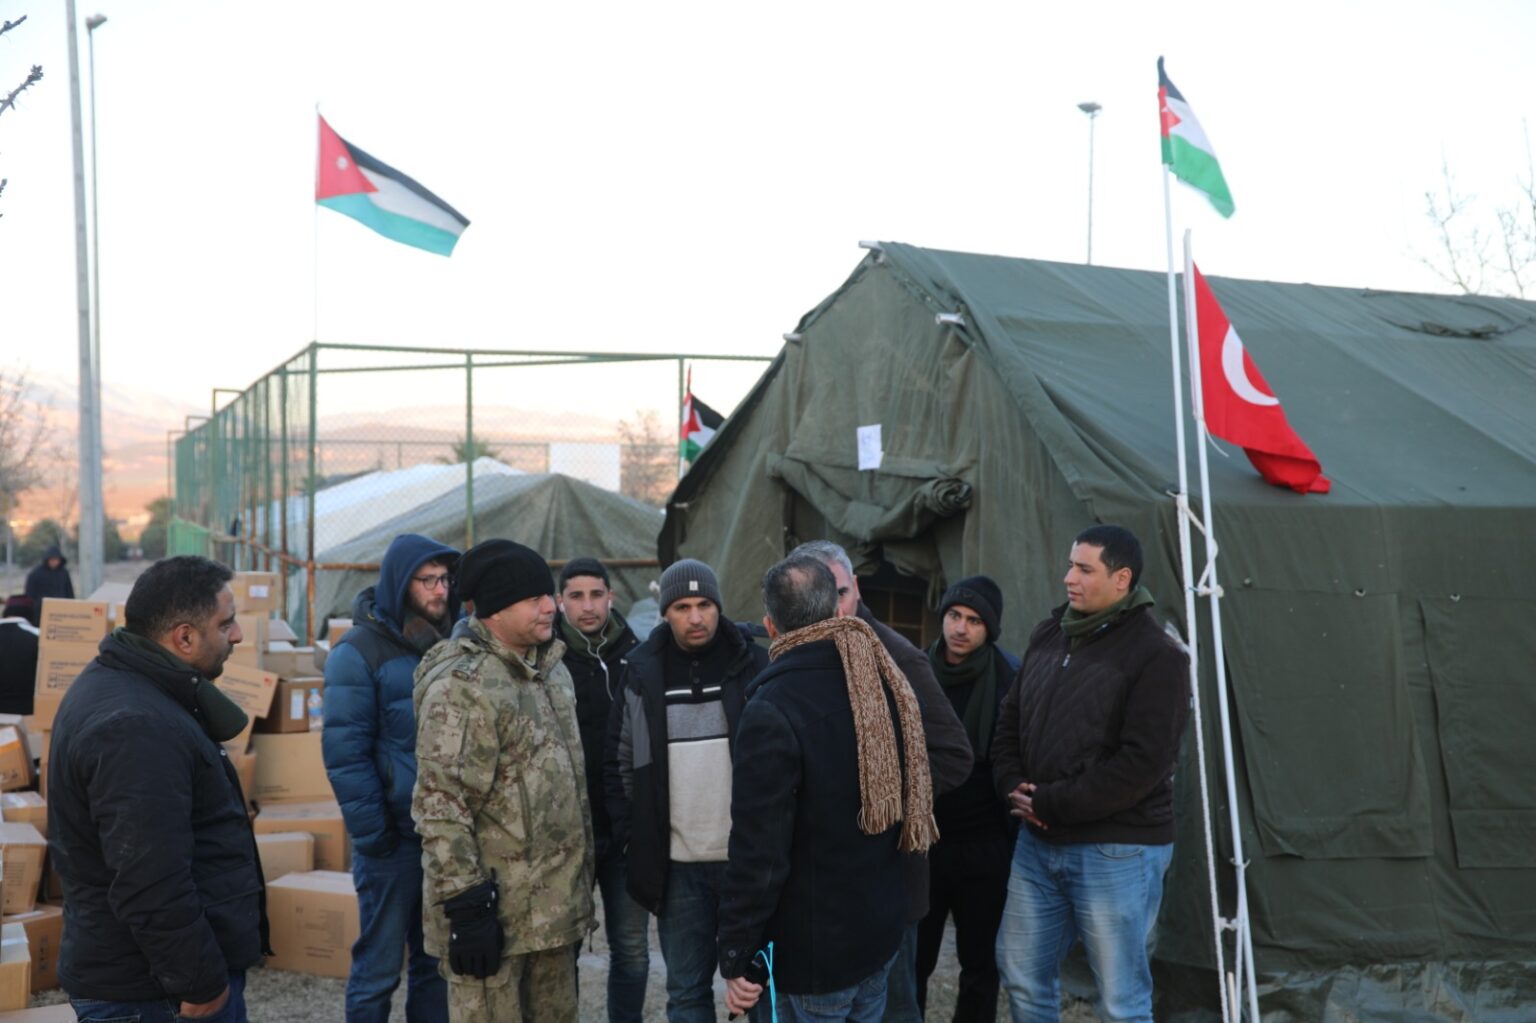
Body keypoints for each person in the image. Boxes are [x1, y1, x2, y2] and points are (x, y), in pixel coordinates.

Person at [718, 554, 937, 1023]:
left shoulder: (771, 707)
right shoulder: (881, 678)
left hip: (816, 954)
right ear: (837, 612)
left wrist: (736, 954)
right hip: (877, 936)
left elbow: (760, 849)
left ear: (770, 625)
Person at [49, 555, 266, 1023]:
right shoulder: (136, 726)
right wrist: (199, 980)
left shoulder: (138, 689)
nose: (237, 635)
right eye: (225, 623)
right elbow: (149, 877)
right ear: (184, 637)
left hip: (152, 983)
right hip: (152, 993)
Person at [991, 525, 1190, 1023]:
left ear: (1121, 578)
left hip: (1116, 849)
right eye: (1070, 565)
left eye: (1084, 569)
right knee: (1021, 975)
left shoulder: (1158, 656)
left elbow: (1142, 764)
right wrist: (1011, 783)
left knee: (1121, 1000)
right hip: (1036, 844)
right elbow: (1010, 719)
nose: (1068, 578)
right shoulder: (1049, 632)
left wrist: (1052, 802)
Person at [787, 540, 973, 1023]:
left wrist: (877, 794)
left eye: (841, 593)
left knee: (891, 1008)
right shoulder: (801, 651)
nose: (831, 608)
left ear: (857, 590)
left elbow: (953, 756)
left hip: (888, 877)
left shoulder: (896, 657)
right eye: (819, 596)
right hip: (822, 881)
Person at [413, 538, 594, 1023]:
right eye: (533, 598)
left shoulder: (551, 672)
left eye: (548, 594)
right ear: (493, 609)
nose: (550, 606)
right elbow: (440, 805)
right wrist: (468, 909)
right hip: (496, 925)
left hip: (551, 919)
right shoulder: (464, 686)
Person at [606, 558, 769, 1023]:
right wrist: (633, 839)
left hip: (748, 863)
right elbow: (618, 764)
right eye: (681, 606)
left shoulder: (754, 663)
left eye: (703, 604)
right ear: (665, 613)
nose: (695, 617)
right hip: (677, 869)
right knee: (687, 994)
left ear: (718, 607)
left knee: (760, 991)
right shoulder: (641, 674)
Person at [323, 533, 459, 1023]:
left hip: (444, 840)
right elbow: (344, 755)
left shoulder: (452, 646)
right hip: (392, 842)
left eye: (445, 579)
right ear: (401, 583)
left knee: (436, 966)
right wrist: (376, 836)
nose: (440, 590)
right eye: (427, 580)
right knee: (378, 971)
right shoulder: (356, 652)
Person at [916, 575, 1020, 1022]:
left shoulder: (1010, 679)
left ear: (989, 628)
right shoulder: (915, 672)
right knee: (913, 960)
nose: (960, 628)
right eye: (954, 616)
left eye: (974, 620)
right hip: (923, 843)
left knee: (980, 964)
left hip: (985, 846)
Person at [555, 557, 648, 1023]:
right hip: (565, 834)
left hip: (624, 832)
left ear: (611, 597)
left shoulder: (637, 656)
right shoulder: (544, 659)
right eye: (576, 596)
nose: (588, 606)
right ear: (559, 601)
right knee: (560, 951)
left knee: (631, 950)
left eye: (596, 595)